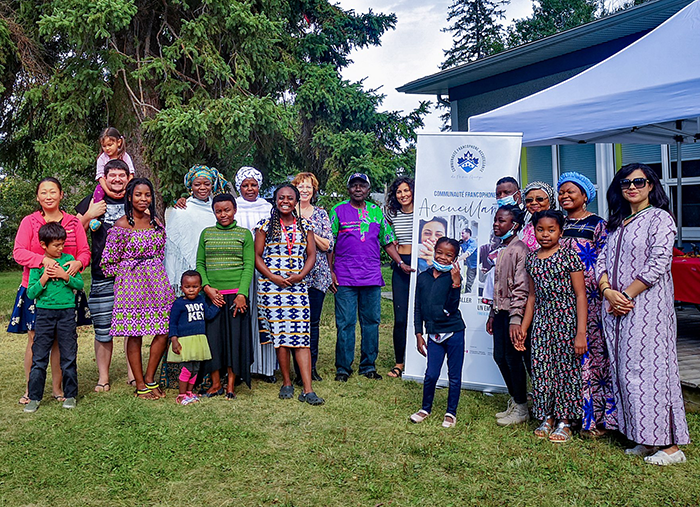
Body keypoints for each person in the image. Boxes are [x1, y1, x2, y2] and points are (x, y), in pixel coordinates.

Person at [596, 163, 689, 465]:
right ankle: (645, 439)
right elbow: (600, 262)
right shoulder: (618, 223)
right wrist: (608, 290)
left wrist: (627, 294)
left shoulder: (660, 219)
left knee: (652, 374)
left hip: (647, 310)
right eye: (625, 183)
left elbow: (659, 261)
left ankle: (671, 446)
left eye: (639, 182)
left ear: (651, 186)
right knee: (627, 374)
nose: (631, 187)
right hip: (615, 310)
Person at [11, 177, 90, 405]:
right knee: (35, 338)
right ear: (38, 197)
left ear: (61, 195)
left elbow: (84, 251)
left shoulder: (73, 222)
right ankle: (30, 389)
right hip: (37, 287)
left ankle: (58, 388)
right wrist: (42, 261)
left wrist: (78, 264)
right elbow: (19, 252)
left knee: (61, 340)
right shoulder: (30, 222)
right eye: (44, 192)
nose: (49, 196)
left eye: (53, 191)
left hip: (66, 288)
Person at [330, 173, 413, 382]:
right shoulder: (338, 211)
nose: (358, 189)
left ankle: (368, 366)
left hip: (371, 276)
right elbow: (330, 243)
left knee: (371, 322)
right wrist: (330, 271)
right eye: (354, 185)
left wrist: (401, 263)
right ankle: (343, 368)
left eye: (362, 185)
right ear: (348, 189)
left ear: (368, 189)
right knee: (346, 323)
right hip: (344, 277)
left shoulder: (377, 213)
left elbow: (387, 240)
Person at [101, 178, 176, 400]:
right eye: (138, 195)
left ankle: (150, 377)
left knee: (164, 329)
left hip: (157, 279)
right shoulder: (122, 225)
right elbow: (107, 262)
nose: (143, 199)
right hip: (131, 283)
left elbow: (162, 250)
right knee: (135, 333)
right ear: (130, 197)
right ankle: (140, 384)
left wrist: (151, 268)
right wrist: (128, 274)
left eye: (147, 195)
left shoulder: (156, 222)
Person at [557, 172, 616, 438]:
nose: (565, 196)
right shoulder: (554, 223)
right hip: (560, 301)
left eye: (571, 191)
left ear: (585, 196)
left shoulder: (597, 225)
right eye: (562, 192)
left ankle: (595, 419)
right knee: (564, 357)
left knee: (591, 358)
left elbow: (607, 261)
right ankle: (566, 415)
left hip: (590, 300)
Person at [255, 184, 324, 405]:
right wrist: (273, 277)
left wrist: (301, 275)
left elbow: (312, 254)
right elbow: (256, 256)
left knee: (301, 337)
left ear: (296, 202)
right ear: (275, 200)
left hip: (297, 286)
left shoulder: (305, 225)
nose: (286, 201)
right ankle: (286, 382)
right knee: (281, 338)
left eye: (290, 198)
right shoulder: (265, 225)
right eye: (281, 197)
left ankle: (307, 389)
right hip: (272, 287)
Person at [522, 210, 587, 443]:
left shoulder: (570, 256)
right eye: (540, 229)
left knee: (566, 370)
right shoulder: (531, 259)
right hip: (541, 322)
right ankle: (547, 416)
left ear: (560, 231)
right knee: (541, 369)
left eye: (551, 230)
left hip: (567, 322)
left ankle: (565, 420)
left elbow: (581, 295)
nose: (545, 234)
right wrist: (524, 327)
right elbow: (531, 296)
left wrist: (581, 333)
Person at [76, 159, 131, 392]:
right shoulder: (93, 199)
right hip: (101, 273)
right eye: (113, 175)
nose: (117, 179)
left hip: (133, 275)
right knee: (102, 327)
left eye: (122, 175)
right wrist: (89, 215)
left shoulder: (135, 197)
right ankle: (103, 378)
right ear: (105, 177)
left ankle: (132, 374)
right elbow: (73, 231)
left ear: (128, 178)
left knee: (132, 325)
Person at [196, 193, 255, 399]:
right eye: (218, 211)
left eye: (227, 210)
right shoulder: (206, 234)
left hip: (235, 297)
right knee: (213, 340)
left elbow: (249, 266)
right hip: (213, 296)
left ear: (235, 210)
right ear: (214, 212)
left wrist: (242, 294)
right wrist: (207, 288)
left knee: (234, 340)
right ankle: (215, 384)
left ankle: (230, 384)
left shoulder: (244, 234)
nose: (223, 214)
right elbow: (200, 265)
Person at [23, 223, 85, 413]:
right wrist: (44, 278)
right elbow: (31, 294)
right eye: (56, 245)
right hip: (44, 314)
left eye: (62, 244)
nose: (60, 248)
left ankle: (70, 395)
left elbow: (79, 284)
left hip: (66, 313)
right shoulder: (38, 265)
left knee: (68, 355)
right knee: (39, 357)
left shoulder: (69, 260)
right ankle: (34, 397)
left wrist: (64, 276)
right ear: (43, 245)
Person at [409, 237, 465, 428]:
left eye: (448, 255)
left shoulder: (453, 277)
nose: (442, 257)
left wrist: (456, 284)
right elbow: (418, 307)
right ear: (434, 251)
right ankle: (425, 408)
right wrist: (418, 334)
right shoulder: (423, 277)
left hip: (454, 332)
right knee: (431, 374)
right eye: (439, 252)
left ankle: (451, 412)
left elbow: (451, 307)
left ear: (455, 258)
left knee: (454, 375)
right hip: (434, 334)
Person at [485, 205, 530, 427]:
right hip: (500, 312)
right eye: (495, 220)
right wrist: (492, 313)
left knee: (513, 359)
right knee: (499, 356)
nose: (496, 224)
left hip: (514, 315)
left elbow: (521, 288)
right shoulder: (502, 248)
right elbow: (497, 286)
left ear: (515, 225)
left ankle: (522, 406)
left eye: (501, 221)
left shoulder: (520, 249)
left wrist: (516, 319)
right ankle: (515, 400)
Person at [234, 166, 277, 383]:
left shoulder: (269, 208)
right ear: (238, 187)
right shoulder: (234, 208)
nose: (250, 189)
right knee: (244, 317)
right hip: (242, 270)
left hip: (265, 269)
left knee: (265, 316)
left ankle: (267, 368)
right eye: (245, 185)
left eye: (253, 185)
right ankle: (245, 366)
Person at [291, 172, 334, 383]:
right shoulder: (286, 212)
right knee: (295, 323)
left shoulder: (321, 214)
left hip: (317, 276)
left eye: (308, 187)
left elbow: (328, 245)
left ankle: (312, 368)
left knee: (312, 324)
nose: (304, 190)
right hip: (294, 276)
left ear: (314, 190)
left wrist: (307, 231)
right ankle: (298, 372)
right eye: (300, 187)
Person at [165, 165, 229, 292]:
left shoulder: (217, 210)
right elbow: (172, 247)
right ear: (190, 186)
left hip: (215, 269)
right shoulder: (181, 210)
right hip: (189, 277)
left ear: (212, 186)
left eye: (207, 184)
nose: (202, 188)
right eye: (197, 184)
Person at [167, 270, 218, 405]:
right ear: (182, 287)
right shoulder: (178, 304)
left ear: (200, 288)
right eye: (187, 287)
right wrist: (174, 339)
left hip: (199, 340)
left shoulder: (201, 300)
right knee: (187, 368)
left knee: (195, 368)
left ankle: (190, 392)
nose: (191, 290)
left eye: (194, 287)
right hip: (185, 341)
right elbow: (172, 323)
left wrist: (217, 305)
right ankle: (182, 395)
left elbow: (208, 315)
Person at [384, 176, 414, 378]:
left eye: (406, 190)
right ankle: (400, 362)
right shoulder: (391, 213)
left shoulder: (424, 210)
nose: (403, 195)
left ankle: (420, 360)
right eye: (399, 192)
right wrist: (399, 261)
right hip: (401, 263)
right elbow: (386, 238)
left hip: (423, 265)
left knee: (422, 314)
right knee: (401, 317)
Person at [92, 127, 135, 207]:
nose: (107, 148)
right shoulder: (102, 158)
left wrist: (126, 188)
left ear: (118, 142)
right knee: (98, 191)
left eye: (110, 145)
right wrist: (108, 192)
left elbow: (131, 174)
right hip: (106, 184)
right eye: (104, 146)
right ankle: (96, 212)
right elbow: (100, 177)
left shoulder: (125, 156)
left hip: (125, 184)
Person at [521, 181, 555, 251]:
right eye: (529, 200)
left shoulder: (560, 223)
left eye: (539, 199)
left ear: (549, 201)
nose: (533, 203)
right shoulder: (525, 226)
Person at [458, 228, 478, 292]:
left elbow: (467, 253)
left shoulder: (473, 242)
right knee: (469, 283)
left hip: (478, 265)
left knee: (480, 284)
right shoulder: (462, 242)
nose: (461, 235)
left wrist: (457, 260)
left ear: (468, 234)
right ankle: (467, 296)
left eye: (463, 233)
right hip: (470, 266)